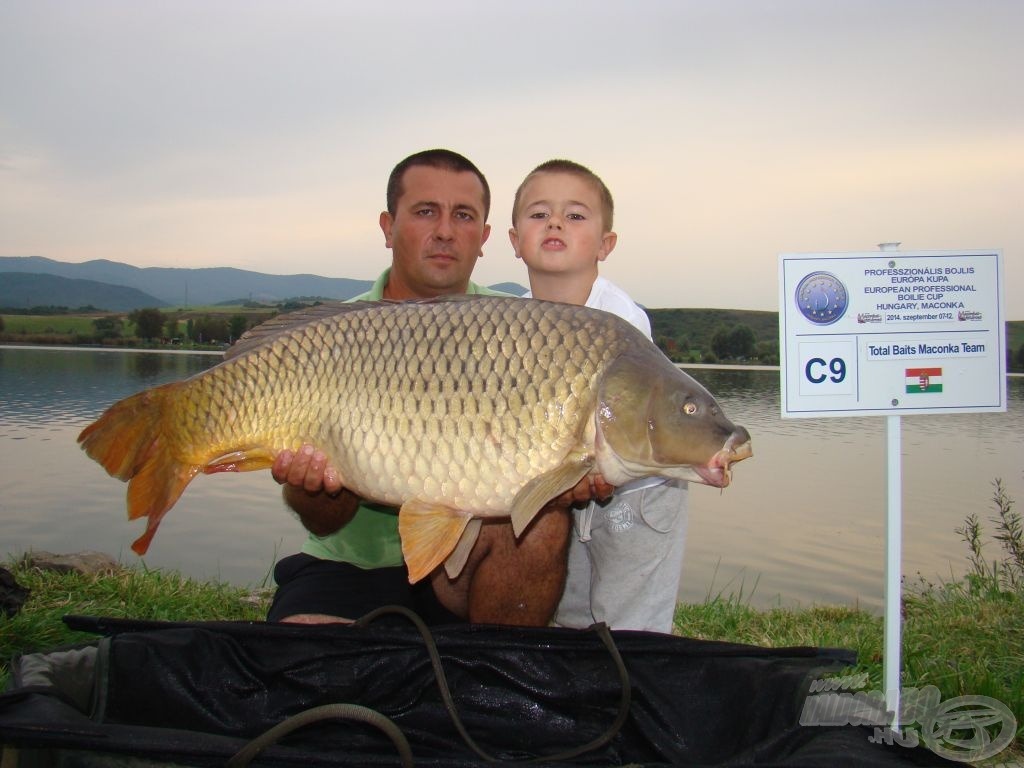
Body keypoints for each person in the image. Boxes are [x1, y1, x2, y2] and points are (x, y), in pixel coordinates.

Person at [265, 149, 611, 627]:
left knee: (542, 523)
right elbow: (325, 521)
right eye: (426, 212)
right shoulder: (330, 340)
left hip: (464, 571)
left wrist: (571, 473)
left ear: (485, 236)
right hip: (350, 561)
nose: (445, 231)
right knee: (312, 672)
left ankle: (492, 678)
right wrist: (312, 482)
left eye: (463, 216)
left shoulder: (527, 332)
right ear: (388, 226)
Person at [508, 159, 689, 633]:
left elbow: (637, 413)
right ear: (514, 241)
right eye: (538, 213)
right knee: (569, 608)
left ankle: (635, 682)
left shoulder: (621, 320)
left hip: (638, 493)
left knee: (629, 617)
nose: (555, 223)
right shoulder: (514, 323)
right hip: (570, 477)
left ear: (605, 244)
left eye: (575, 215)